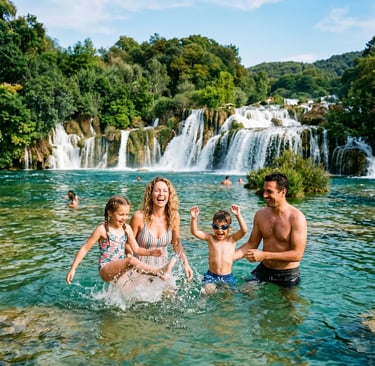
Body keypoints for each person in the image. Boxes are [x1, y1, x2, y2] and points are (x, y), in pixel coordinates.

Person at [66, 195, 176, 285]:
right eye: (121, 214)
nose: (124, 218)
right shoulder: (102, 230)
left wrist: (150, 252)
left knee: (131, 293)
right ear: (110, 213)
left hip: (120, 267)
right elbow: (85, 248)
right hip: (106, 269)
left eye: (127, 214)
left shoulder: (126, 228)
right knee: (131, 261)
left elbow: (136, 249)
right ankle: (159, 271)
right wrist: (73, 268)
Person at [234, 172, 307, 287]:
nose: (264, 195)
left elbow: (297, 254)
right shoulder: (260, 215)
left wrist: (264, 255)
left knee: (289, 304)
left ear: (283, 192)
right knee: (245, 293)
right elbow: (251, 244)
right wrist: (228, 257)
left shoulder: (296, 218)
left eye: (269, 192)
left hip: (287, 274)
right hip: (263, 270)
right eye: (264, 191)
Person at [127, 176, 193, 282]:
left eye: (165, 191)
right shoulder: (138, 217)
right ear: (150, 194)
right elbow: (128, 244)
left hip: (164, 273)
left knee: (171, 297)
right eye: (157, 190)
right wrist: (129, 262)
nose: (161, 194)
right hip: (139, 272)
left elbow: (176, 243)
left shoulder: (174, 216)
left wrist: (186, 263)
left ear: (169, 195)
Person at [190, 204, 248, 294]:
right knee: (208, 291)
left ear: (229, 228)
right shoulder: (210, 238)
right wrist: (194, 218)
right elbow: (195, 232)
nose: (220, 230)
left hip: (227, 277)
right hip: (211, 275)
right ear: (212, 227)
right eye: (216, 227)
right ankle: (202, 305)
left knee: (228, 295)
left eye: (224, 227)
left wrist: (238, 215)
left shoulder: (232, 239)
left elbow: (244, 230)